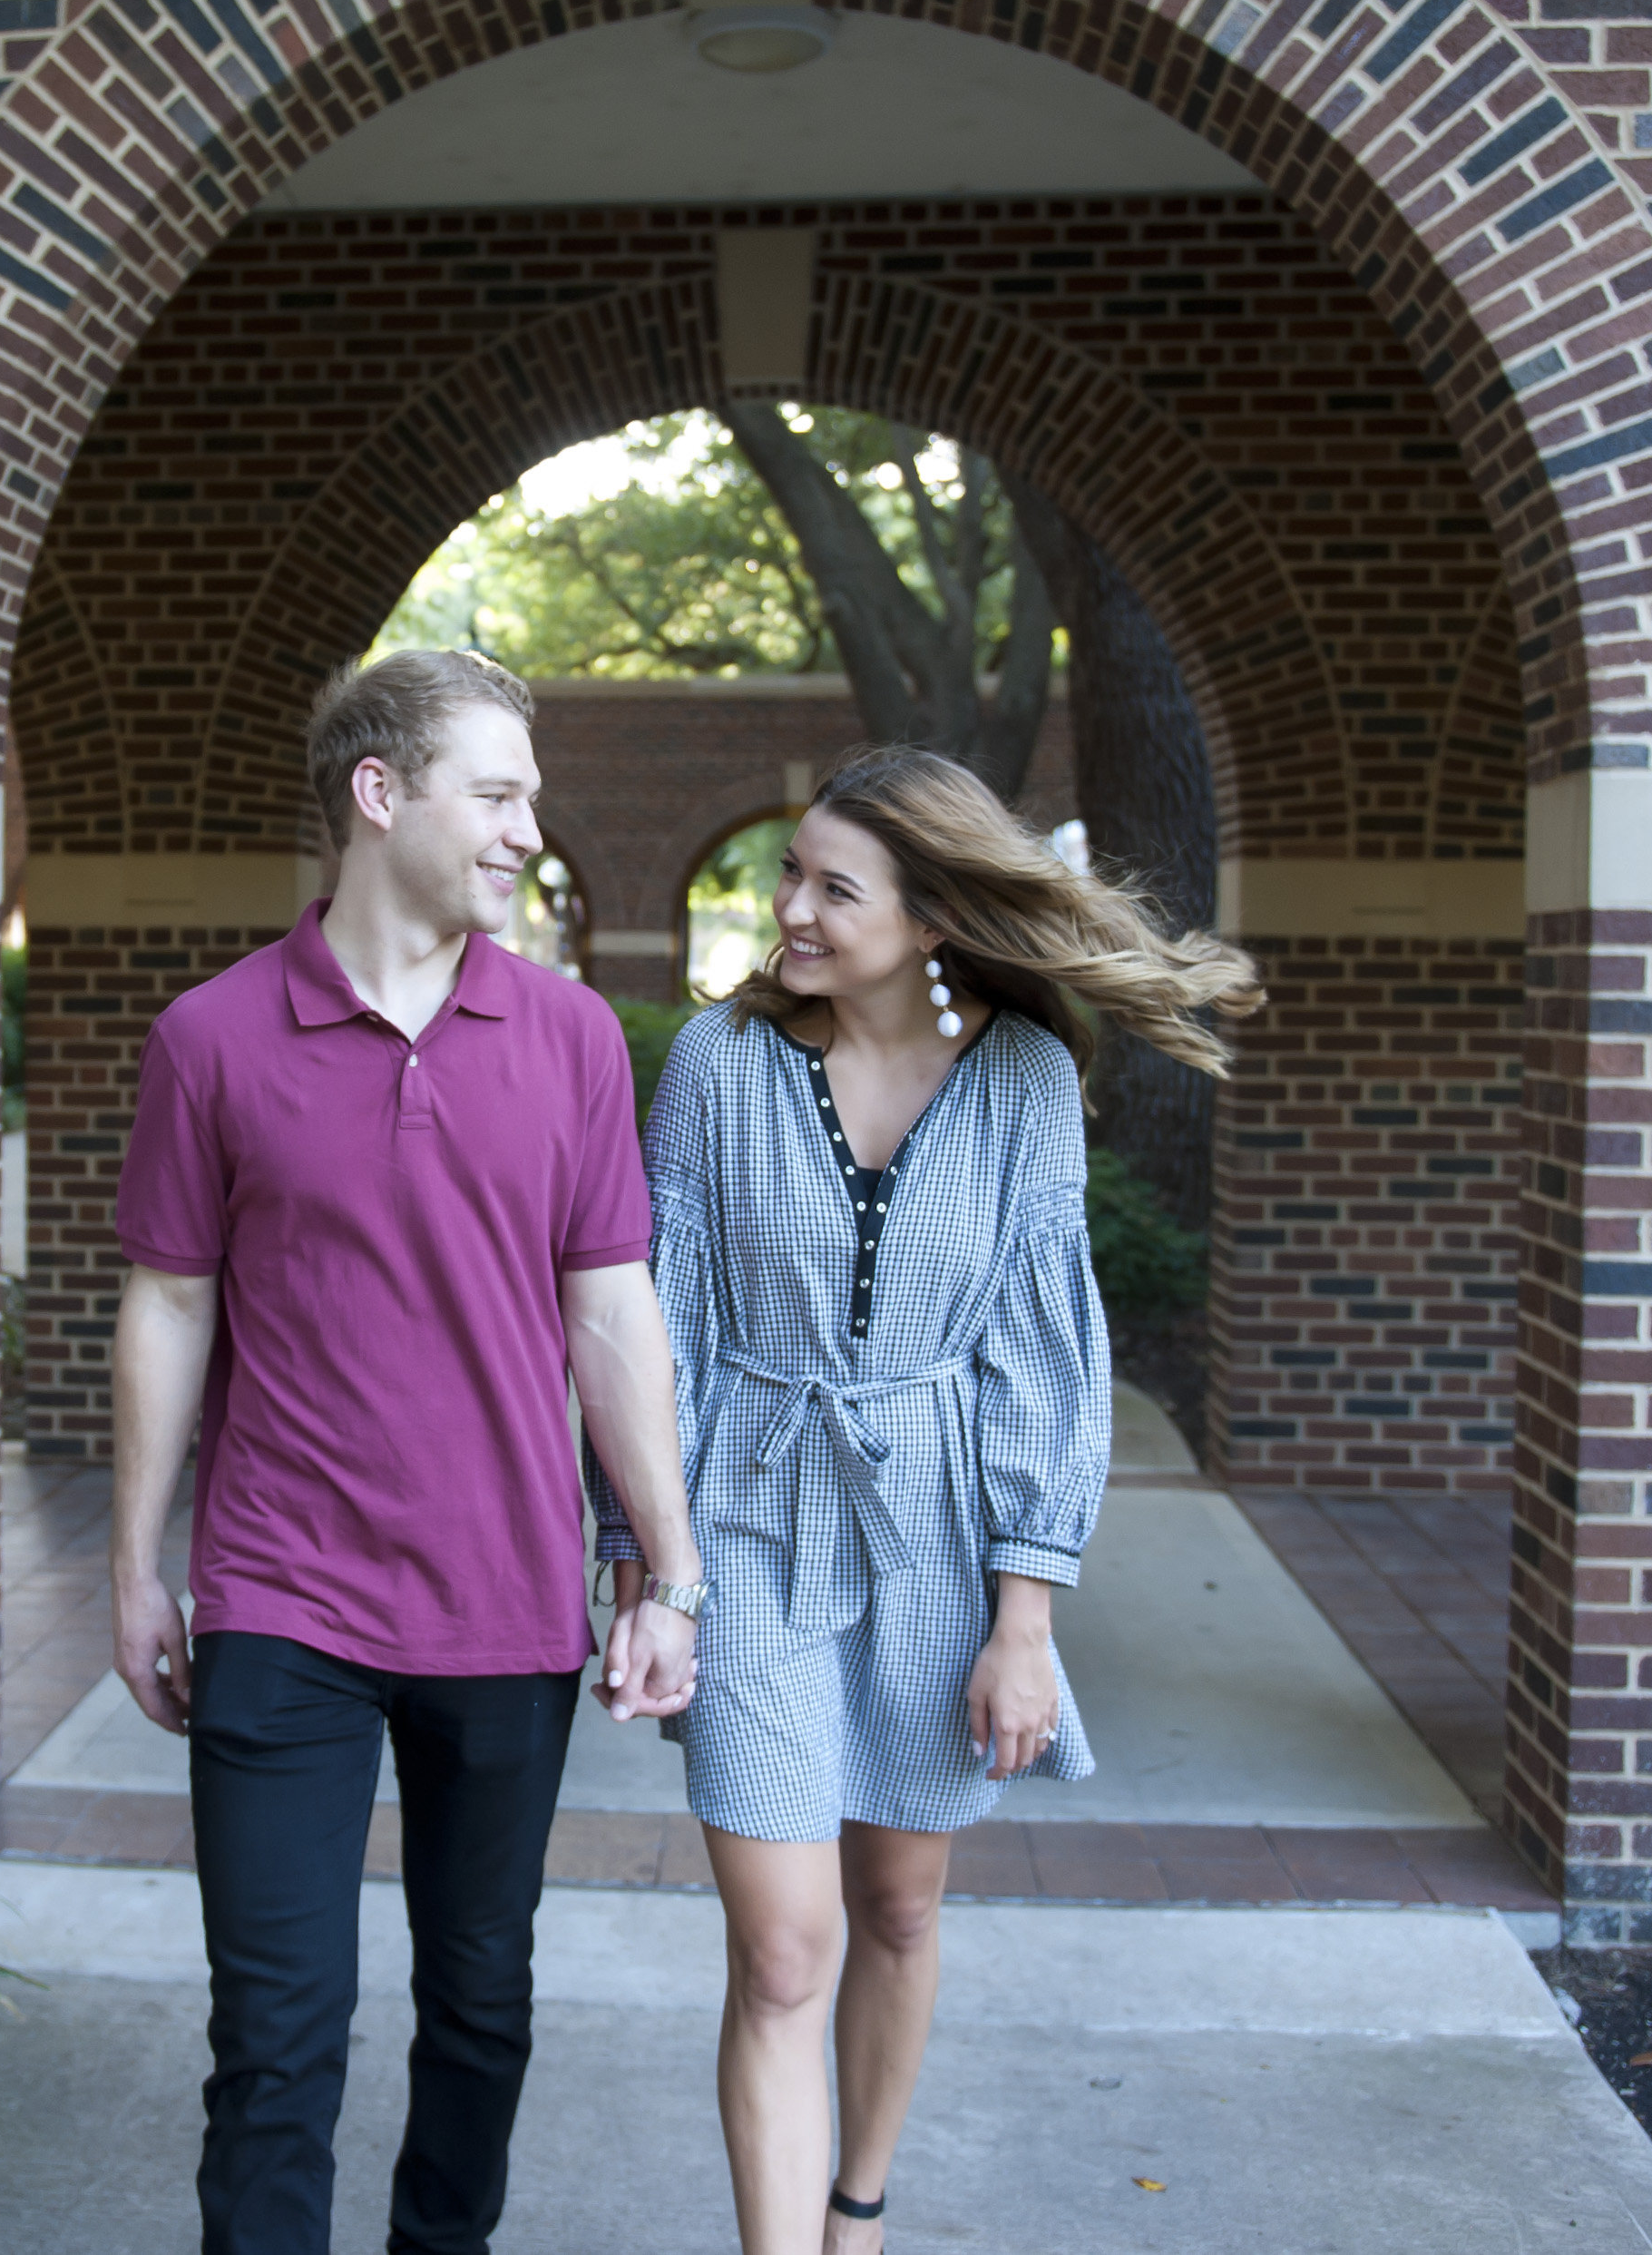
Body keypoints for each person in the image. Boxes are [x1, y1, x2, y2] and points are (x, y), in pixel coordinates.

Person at [594, 748, 1263, 2255]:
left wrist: (1023, 1619)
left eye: (834, 885)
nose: (792, 910)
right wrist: (649, 1558)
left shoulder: (1023, 1081)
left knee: (896, 1912)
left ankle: (858, 2218)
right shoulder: (718, 1064)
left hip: (942, 1543)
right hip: (750, 1525)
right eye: (790, 875)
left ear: (934, 914)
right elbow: (667, 1322)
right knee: (783, 1952)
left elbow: (1043, 1349)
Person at [107, 648, 708, 2255]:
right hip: (278, 1600)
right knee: (277, 2038)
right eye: (495, 794)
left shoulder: (572, 1037)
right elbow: (167, 1307)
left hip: (509, 1598)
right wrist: (133, 1568)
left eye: (529, 797)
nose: (527, 829)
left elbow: (612, 1317)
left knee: (479, 2009)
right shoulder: (213, 1036)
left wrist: (671, 1571)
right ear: (380, 797)